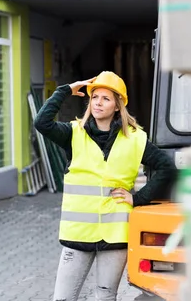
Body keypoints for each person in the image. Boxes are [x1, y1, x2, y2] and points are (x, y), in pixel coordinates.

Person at [34, 71, 177, 301]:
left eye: (106, 98)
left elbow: (166, 168)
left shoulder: (135, 138)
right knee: (62, 298)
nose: (98, 102)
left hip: (115, 231)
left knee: (105, 296)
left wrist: (138, 198)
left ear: (118, 105)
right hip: (79, 233)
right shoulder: (73, 133)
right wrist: (66, 90)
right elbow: (42, 122)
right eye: (95, 97)